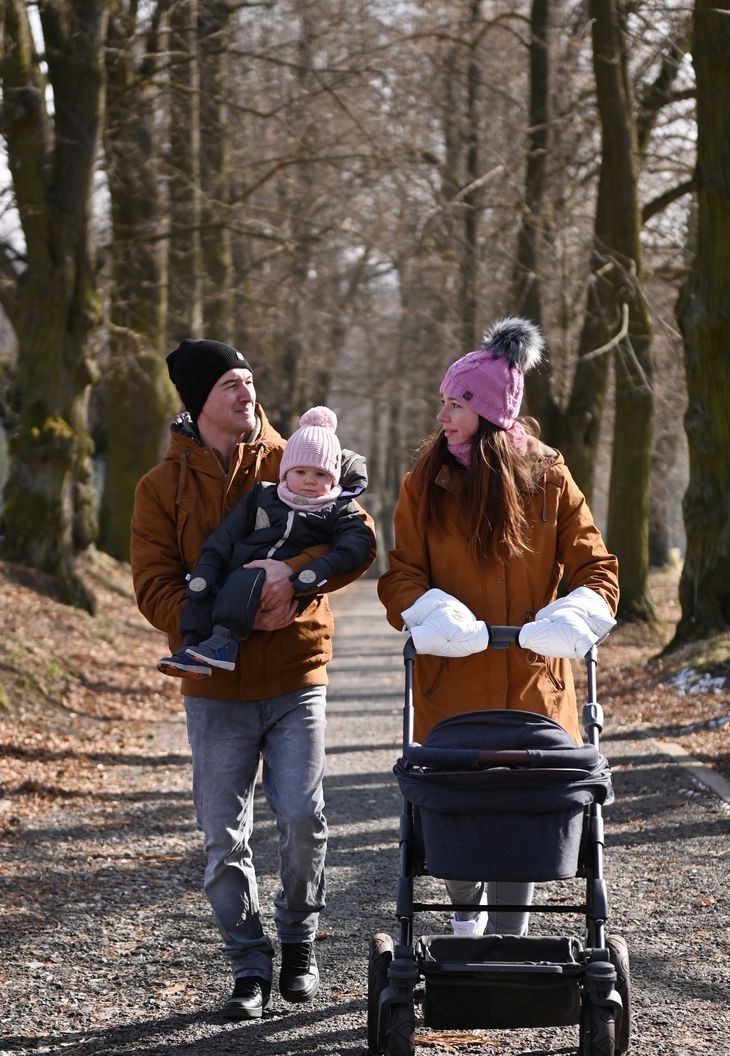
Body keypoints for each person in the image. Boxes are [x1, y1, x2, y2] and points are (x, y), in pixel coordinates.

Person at [131, 338, 376, 1019]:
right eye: (231, 385)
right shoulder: (159, 487)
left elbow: (357, 536)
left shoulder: (298, 455)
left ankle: (298, 943)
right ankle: (247, 963)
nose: (248, 394)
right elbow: (152, 587)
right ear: (198, 402)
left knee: (302, 817)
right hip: (213, 688)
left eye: (249, 381)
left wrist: (291, 585)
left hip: (296, 673)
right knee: (222, 837)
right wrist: (219, 619)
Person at [378, 316, 618, 937]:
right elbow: (399, 575)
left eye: (456, 403)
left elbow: (597, 567)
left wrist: (575, 611)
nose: (442, 416)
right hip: (450, 687)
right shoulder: (424, 484)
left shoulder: (548, 478)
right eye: (443, 401)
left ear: (488, 411)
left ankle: (508, 938)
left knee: (528, 810)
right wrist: (431, 609)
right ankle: (464, 913)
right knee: (457, 808)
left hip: (535, 686)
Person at [158, 405, 373, 676]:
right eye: (300, 472)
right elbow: (228, 533)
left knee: (246, 577)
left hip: (287, 581)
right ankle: (192, 647)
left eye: (320, 474)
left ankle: (224, 642)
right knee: (207, 589)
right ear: (285, 472)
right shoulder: (264, 495)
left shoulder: (338, 509)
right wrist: (208, 565)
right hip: (241, 567)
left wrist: (319, 567)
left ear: (333, 478)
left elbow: (357, 546)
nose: (309, 481)